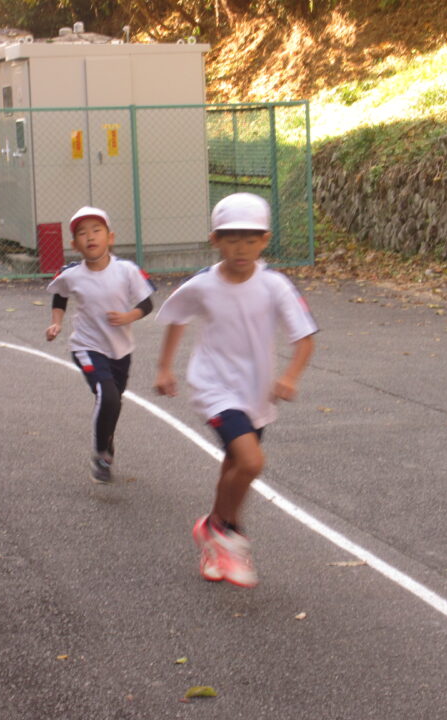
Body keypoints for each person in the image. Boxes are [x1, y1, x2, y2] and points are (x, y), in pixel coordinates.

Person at [154, 193, 317, 588]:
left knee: (234, 466)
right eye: (231, 239)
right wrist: (164, 367)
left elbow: (305, 337)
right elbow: (177, 317)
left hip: (256, 392)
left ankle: (213, 534)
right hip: (213, 387)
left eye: (250, 239)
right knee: (251, 462)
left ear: (265, 240)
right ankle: (226, 534)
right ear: (215, 240)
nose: (241, 248)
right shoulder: (203, 285)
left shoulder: (275, 285)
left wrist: (290, 376)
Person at [45, 206, 155, 484]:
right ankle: (101, 454)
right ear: (75, 244)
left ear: (110, 237)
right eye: (83, 233)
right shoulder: (72, 274)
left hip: (121, 349)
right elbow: (60, 296)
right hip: (86, 346)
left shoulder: (126, 270)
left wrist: (129, 316)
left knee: (114, 401)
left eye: (96, 230)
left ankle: (107, 438)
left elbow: (147, 302)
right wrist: (56, 323)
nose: (90, 237)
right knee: (107, 396)